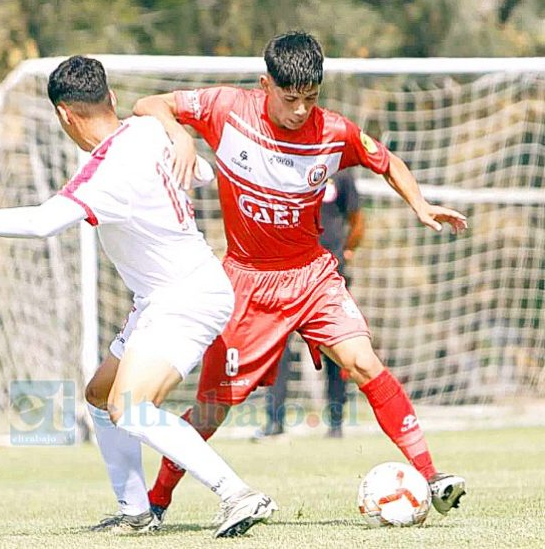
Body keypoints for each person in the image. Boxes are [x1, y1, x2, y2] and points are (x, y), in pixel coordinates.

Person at [0, 55, 277, 538]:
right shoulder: (148, 130)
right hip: (168, 293)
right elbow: (201, 171)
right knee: (100, 396)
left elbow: (41, 223)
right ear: (111, 99)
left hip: (184, 295)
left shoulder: (107, 171)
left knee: (131, 408)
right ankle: (136, 511)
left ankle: (237, 494)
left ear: (64, 115)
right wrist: (182, 137)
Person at [133, 31, 467, 524]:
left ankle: (432, 477)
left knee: (363, 363)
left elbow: (387, 160)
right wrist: (182, 133)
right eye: (289, 99)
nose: (299, 111)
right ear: (264, 84)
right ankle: (156, 503)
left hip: (311, 276)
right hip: (245, 284)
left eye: (310, 98)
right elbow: (148, 103)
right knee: (213, 409)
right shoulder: (225, 109)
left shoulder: (333, 132)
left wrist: (419, 205)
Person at [253, 169, 363, 441]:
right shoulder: (281, 167)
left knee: (336, 350)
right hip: (285, 276)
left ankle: (336, 423)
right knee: (278, 349)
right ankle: (274, 422)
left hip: (328, 276)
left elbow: (357, 219)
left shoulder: (341, 173)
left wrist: (347, 250)